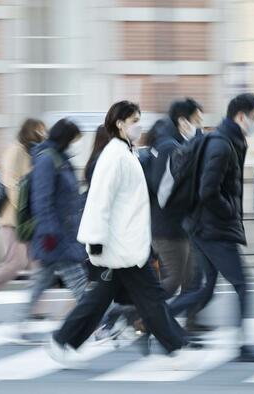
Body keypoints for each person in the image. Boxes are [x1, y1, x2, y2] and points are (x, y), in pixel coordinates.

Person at [48, 101, 193, 368]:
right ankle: (177, 346)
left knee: (101, 299)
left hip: (125, 244)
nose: (139, 125)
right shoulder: (114, 156)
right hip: (118, 246)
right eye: (134, 120)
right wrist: (96, 240)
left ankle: (63, 341)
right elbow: (100, 200)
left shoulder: (125, 153)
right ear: (120, 123)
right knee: (150, 298)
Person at [168, 93, 254, 362]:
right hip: (212, 228)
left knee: (207, 287)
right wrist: (229, 212)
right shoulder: (222, 145)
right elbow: (208, 190)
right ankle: (244, 346)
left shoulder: (229, 140)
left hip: (205, 226)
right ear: (241, 116)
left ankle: (156, 318)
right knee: (243, 284)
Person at [23, 119, 88, 335]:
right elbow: (42, 200)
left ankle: (20, 324)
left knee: (41, 282)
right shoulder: (47, 161)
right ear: (66, 138)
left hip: (64, 233)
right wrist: (49, 232)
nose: (77, 144)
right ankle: (99, 324)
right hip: (56, 236)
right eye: (75, 139)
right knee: (78, 281)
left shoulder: (61, 159)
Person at [148, 99, 206, 320]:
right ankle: (134, 313)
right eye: (197, 121)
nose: (199, 126)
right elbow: (164, 192)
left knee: (192, 278)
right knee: (173, 281)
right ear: (183, 121)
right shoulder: (169, 148)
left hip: (180, 226)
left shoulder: (175, 144)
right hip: (169, 228)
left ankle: (191, 324)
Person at [0, 118, 46, 300]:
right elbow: (10, 182)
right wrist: (24, 209)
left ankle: (35, 305)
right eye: (40, 130)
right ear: (30, 130)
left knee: (38, 263)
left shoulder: (30, 151)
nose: (43, 134)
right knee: (14, 264)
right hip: (14, 220)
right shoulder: (15, 150)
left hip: (27, 221)